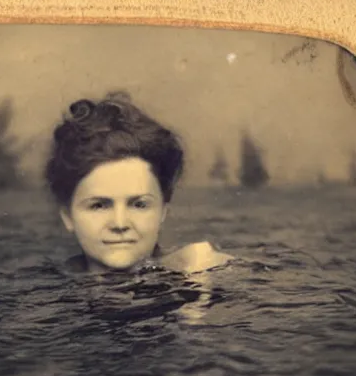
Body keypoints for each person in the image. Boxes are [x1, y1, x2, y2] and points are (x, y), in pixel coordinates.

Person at [45, 91, 233, 275]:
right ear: (68, 216)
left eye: (139, 204)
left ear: (163, 211)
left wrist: (199, 295)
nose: (119, 224)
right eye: (99, 205)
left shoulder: (203, 271)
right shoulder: (43, 291)